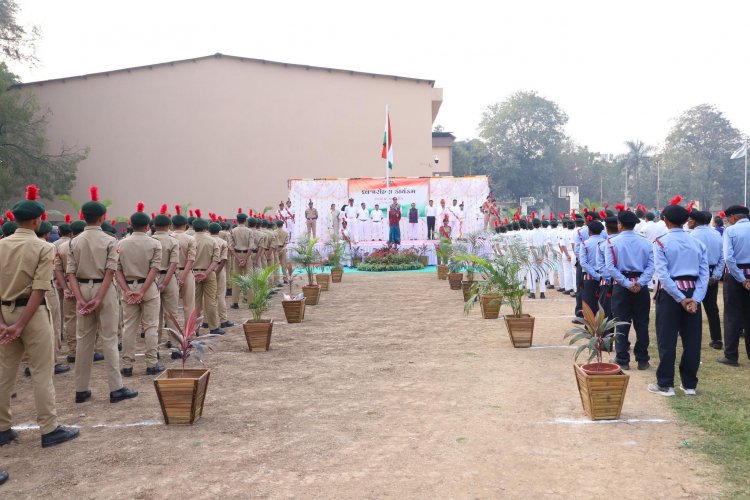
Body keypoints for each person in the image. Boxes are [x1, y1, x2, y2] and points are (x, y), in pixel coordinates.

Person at [0, 185, 79, 448]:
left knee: (5, 373)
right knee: (42, 372)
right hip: (31, 314)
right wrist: (22, 324)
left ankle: (2, 427)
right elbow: (39, 288)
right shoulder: (43, 248)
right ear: (37, 221)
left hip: (5, 312)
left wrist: (4, 322)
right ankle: (49, 427)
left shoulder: (1, 246)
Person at [67, 186, 138, 404]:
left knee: (84, 340)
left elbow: (70, 272)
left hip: (81, 287)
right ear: (102, 217)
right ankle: (116, 387)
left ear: (83, 217)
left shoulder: (74, 241)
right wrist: (99, 297)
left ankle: (81, 389)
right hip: (103, 290)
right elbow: (110, 271)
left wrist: (80, 298)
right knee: (109, 338)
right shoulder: (109, 241)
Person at [649, 202, 708, 396]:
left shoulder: (661, 242)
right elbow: (704, 274)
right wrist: (695, 299)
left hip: (671, 294)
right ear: (686, 221)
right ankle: (689, 384)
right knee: (692, 340)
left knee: (667, 339)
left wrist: (681, 298)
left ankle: (666, 384)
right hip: (692, 292)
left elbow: (663, 275)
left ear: (665, 220)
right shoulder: (697, 243)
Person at [115, 203, 163, 377]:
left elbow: (116, 270)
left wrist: (127, 290)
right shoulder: (155, 244)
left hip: (128, 287)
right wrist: (142, 290)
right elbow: (154, 269)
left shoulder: (121, 244)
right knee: (151, 327)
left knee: (129, 328)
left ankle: (127, 365)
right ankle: (152, 363)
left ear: (130, 224)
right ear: (148, 226)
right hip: (148, 288)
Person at [604, 208, 654, 371]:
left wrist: (627, 283)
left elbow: (611, 268)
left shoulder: (611, 242)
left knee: (621, 323)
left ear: (620, 225)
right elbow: (651, 266)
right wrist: (640, 282)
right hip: (641, 286)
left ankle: (622, 358)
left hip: (621, 286)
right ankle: (642, 359)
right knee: (642, 323)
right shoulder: (646, 242)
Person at [718, 205, 750, 367]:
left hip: (736, 276)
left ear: (733, 217)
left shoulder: (730, 231)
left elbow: (728, 258)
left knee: (732, 316)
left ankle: (731, 356)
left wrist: (742, 279)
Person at [689, 210, 724, 350]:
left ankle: (692, 337)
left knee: (693, 305)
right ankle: (717, 339)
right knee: (712, 308)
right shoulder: (716, 234)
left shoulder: (692, 236)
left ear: (695, 221)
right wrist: (715, 275)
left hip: (696, 274)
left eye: (690, 220)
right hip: (712, 274)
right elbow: (722, 257)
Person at [151, 208, 182, 344]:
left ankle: (155, 347)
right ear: (168, 226)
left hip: (152, 279)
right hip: (169, 279)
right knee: (172, 314)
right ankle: (175, 346)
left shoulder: (149, 240)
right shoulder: (173, 241)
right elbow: (174, 263)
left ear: (154, 226)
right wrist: (165, 282)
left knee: (154, 316)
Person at [192, 217, 223, 335]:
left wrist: (194, 273)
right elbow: (216, 260)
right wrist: (206, 273)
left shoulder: (190, 239)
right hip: (209, 273)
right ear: (206, 228)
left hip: (193, 274)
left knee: (195, 303)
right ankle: (214, 327)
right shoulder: (212, 241)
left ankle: (195, 329)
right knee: (210, 301)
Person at [171, 206, 196, 325]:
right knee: (189, 306)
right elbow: (190, 259)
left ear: (172, 225)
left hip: (169, 274)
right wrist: (183, 276)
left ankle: (172, 336)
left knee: (171, 307)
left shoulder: (168, 238)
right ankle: (189, 334)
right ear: (185, 225)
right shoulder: (190, 239)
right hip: (186, 273)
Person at [579, 220, 606, 313]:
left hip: (589, 276)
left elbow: (583, 263)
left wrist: (595, 275)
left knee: (589, 303)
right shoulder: (606, 243)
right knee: (603, 303)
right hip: (604, 277)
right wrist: (600, 275)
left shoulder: (585, 243)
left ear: (589, 231)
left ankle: (590, 326)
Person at [229, 209, 253, 309]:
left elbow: (230, 247)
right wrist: (245, 259)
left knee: (236, 280)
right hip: (247, 256)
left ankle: (235, 302)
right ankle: (251, 302)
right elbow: (251, 247)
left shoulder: (233, 231)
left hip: (236, 256)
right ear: (245, 220)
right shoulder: (249, 231)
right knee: (249, 279)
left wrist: (239, 259)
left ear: (237, 220)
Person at [209, 221, 231, 327]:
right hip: (219, 269)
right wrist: (216, 272)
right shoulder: (223, 242)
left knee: (208, 297)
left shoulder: (206, 240)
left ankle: (206, 321)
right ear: (219, 231)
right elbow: (224, 260)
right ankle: (223, 320)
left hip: (206, 270)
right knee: (221, 295)